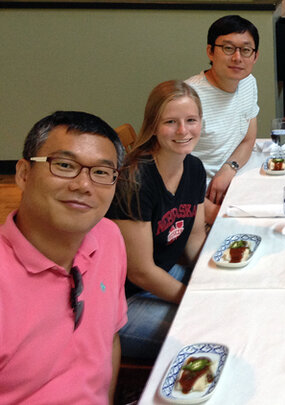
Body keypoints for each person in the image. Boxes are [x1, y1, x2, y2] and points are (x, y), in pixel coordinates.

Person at [0, 111, 127, 403]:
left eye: (101, 172)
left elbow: (110, 338)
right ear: (24, 173)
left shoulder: (108, 237)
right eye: (65, 165)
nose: (83, 185)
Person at [107, 80, 207, 359]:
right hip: (124, 299)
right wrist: (193, 298)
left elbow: (195, 237)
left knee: (230, 302)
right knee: (203, 331)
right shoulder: (136, 179)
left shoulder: (194, 167)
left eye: (191, 120)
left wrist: (210, 279)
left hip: (162, 272)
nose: (183, 131)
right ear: (152, 125)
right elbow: (139, 271)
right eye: (170, 122)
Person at [186, 15, 260, 224]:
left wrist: (229, 168)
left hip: (234, 182)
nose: (237, 58)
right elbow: (169, 173)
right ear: (210, 51)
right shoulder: (189, 98)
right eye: (228, 48)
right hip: (199, 201)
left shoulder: (248, 82)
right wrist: (215, 215)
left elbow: (248, 139)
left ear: (255, 56)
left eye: (246, 50)